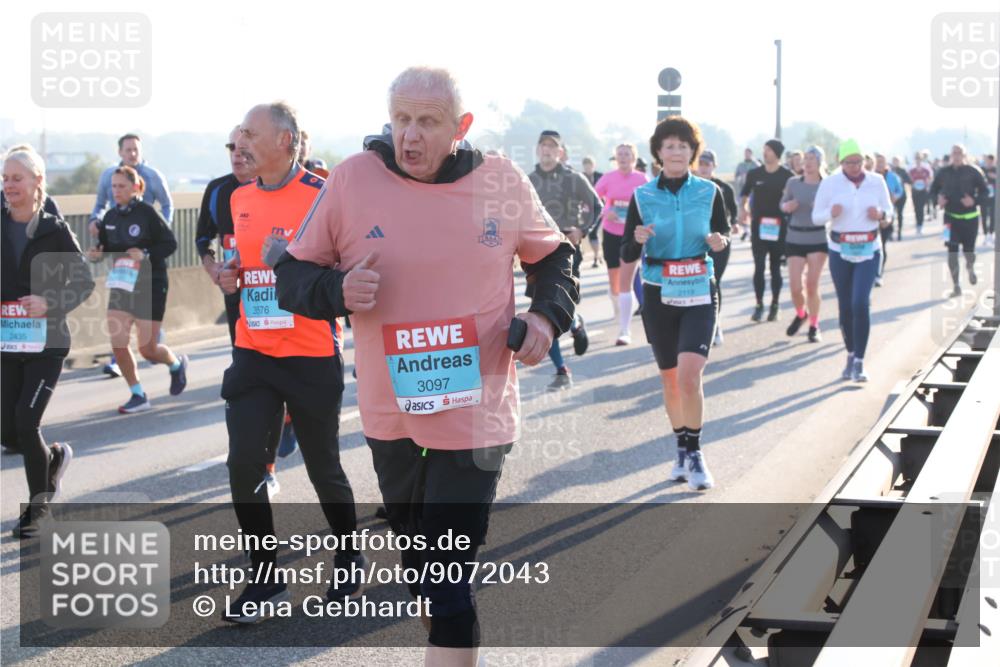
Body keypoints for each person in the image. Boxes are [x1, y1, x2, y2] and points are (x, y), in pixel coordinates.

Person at [274, 66, 578, 663]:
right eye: (401, 119)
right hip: (392, 414)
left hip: (477, 413)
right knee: (421, 566)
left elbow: (554, 259)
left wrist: (545, 319)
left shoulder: (500, 180)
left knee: (448, 580)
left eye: (428, 122)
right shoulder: (352, 180)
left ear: (461, 126)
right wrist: (337, 290)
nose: (410, 135)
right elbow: (292, 276)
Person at [213, 102, 362, 624]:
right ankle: (266, 577)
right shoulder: (239, 197)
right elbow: (246, 263)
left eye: (250, 135)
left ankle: (349, 556)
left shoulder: (323, 196)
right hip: (253, 352)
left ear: (284, 140)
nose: (241, 145)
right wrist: (231, 274)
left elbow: (348, 274)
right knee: (243, 463)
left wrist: (292, 261)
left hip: (310, 354)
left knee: (323, 467)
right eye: (239, 136)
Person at [621, 116, 730, 491]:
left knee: (689, 375)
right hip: (658, 291)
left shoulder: (710, 192)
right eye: (670, 146)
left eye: (683, 146)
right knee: (670, 380)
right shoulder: (642, 196)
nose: (677, 152)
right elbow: (627, 250)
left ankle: (696, 453)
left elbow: (723, 233)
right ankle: (681, 447)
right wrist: (636, 240)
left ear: (693, 152)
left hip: (699, 287)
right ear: (658, 153)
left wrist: (720, 242)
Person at [2, 146, 95, 537]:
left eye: (16, 178)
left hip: (47, 344)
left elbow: (84, 281)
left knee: (27, 421)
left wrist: (49, 302)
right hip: (8, 344)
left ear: (37, 181)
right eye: (5, 178)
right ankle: (53, 459)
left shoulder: (54, 230)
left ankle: (38, 510)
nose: (8, 186)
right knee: (7, 431)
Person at [194, 128, 292, 492]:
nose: (237, 154)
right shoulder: (218, 190)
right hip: (239, 298)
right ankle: (264, 466)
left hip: (282, 299)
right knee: (254, 382)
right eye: (231, 147)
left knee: (281, 376)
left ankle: (284, 429)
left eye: (243, 147)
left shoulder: (279, 188)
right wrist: (213, 268)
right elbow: (202, 238)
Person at [87, 166, 188, 412]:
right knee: (118, 343)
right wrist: (97, 255)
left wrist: (146, 254)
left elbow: (170, 244)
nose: (116, 191)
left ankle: (176, 365)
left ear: (135, 187)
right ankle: (138, 394)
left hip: (150, 284)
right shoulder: (110, 217)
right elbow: (105, 249)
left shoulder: (147, 213)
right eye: (113, 186)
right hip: (122, 284)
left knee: (148, 350)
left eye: (121, 186)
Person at [89, 133, 174, 379]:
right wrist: (97, 249)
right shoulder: (111, 204)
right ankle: (135, 389)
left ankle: (172, 361)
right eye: (128, 149)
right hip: (123, 279)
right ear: (120, 152)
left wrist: (153, 241)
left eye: (136, 149)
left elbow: (168, 211)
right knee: (119, 339)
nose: (132, 153)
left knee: (148, 349)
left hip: (150, 277)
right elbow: (100, 208)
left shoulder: (152, 182)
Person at [813, 139, 893, 383]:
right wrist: (831, 214)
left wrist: (881, 215)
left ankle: (859, 361)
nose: (855, 167)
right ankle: (850, 354)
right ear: (841, 163)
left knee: (860, 303)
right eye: (849, 163)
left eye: (858, 162)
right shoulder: (830, 183)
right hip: (840, 250)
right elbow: (816, 217)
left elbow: (889, 213)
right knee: (846, 306)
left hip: (869, 249)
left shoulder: (876, 181)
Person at [529, 129, 595, 390]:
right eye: (543, 145)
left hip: (567, 250)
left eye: (552, 146)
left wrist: (582, 230)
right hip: (536, 253)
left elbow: (596, 206)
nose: (547, 150)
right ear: (537, 150)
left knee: (554, 304)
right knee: (542, 309)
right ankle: (561, 369)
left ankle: (574, 323)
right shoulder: (528, 180)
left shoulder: (573, 178)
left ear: (561, 152)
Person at [594, 143, 648, 345]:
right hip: (611, 232)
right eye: (620, 154)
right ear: (615, 158)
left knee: (627, 279)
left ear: (633, 158)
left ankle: (624, 330)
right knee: (615, 282)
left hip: (632, 235)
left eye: (627, 154)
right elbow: (592, 198)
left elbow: (651, 203)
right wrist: (606, 211)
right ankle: (618, 304)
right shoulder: (608, 178)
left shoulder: (642, 180)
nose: (623, 157)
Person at [740, 139, 794, 322]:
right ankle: (759, 305)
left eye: (769, 150)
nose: (765, 153)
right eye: (764, 149)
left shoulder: (787, 176)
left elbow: (794, 197)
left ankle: (775, 305)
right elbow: (744, 193)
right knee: (759, 267)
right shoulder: (755, 173)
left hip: (779, 227)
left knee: (775, 268)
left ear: (777, 154)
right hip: (759, 226)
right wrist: (743, 209)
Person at [780, 146, 828, 342]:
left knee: (811, 286)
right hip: (795, 238)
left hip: (817, 238)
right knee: (794, 287)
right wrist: (787, 206)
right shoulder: (793, 182)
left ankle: (814, 326)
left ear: (820, 162)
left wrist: (822, 208)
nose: (807, 162)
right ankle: (802, 314)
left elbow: (834, 209)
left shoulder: (826, 185)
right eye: (805, 158)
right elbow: (782, 203)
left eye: (812, 159)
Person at [930, 144, 989, 296]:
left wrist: (974, 201)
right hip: (949, 219)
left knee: (969, 252)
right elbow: (933, 190)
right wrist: (938, 200)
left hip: (970, 219)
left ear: (964, 155)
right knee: (952, 252)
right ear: (951, 155)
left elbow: (985, 192)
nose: (956, 156)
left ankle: (970, 266)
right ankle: (956, 285)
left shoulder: (974, 171)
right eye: (954, 153)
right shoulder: (943, 172)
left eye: (959, 153)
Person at [695, 149, 738, 346]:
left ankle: (715, 323)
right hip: (696, 242)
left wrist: (734, 224)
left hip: (719, 241)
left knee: (713, 282)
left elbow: (733, 212)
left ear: (714, 166)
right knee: (697, 283)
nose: (704, 167)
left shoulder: (724, 188)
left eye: (707, 164)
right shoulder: (690, 187)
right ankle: (697, 324)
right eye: (701, 164)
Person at [874, 153, 903, 287]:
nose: (880, 164)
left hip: (887, 215)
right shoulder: (870, 177)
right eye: (878, 162)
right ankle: (872, 273)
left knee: (882, 245)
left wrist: (895, 197)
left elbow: (900, 190)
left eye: (882, 162)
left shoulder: (892, 176)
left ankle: (879, 274)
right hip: (872, 217)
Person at [581, 155, 604, 267]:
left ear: (593, 166)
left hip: (599, 208)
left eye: (589, 166)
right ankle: (597, 256)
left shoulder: (600, 176)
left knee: (594, 232)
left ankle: (596, 258)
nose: (587, 169)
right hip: (586, 209)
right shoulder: (581, 177)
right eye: (585, 167)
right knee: (590, 233)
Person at [909, 151, 934, 235]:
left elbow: (930, 178)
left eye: (919, 158)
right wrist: (912, 184)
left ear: (921, 159)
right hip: (915, 191)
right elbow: (909, 180)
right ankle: (917, 224)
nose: (918, 160)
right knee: (916, 208)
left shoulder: (926, 168)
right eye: (916, 158)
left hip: (923, 191)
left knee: (921, 208)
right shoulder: (911, 169)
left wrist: (927, 184)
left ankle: (920, 225)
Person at [890, 156, 911, 240]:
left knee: (900, 214)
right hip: (891, 195)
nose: (895, 162)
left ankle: (899, 232)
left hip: (901, 195)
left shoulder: (903, 171)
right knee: (891, 214)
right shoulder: (889, 171)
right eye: (894, 161)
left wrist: (900, 180)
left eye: (897, 161)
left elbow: (909, 181)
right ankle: (890, 232)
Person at [981, 154, 996, 247]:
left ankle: (991, 234)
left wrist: (995, 177)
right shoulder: (982, 169)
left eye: (991, 161)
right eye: (988, 161)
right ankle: (985, 235)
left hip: (994, 197)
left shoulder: (996, 169)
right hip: (984, 197)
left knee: (993, 216)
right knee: (984, 216)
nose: (989, 162)